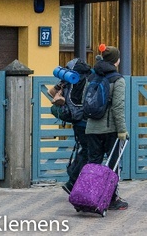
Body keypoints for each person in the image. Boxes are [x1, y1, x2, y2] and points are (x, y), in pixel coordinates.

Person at [85, 45, 128, 210]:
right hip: (110, 130)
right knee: (113, 166)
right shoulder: (118, 80)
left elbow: (85, 101)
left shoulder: (92, 76)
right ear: (116, 60)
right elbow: (118, 107)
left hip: (91, 128)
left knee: (93, 165)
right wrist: (122, 130)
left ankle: (90, 196)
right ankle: (112, 199)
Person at [49, 59, 93, 194]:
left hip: (75, 120)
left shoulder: (68, 79)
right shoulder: (88, 79)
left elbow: (51, 92)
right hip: (85, 121)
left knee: (84, 150)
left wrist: (60, 89)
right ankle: (73, 180)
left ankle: (74, 177)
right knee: (87, 152)